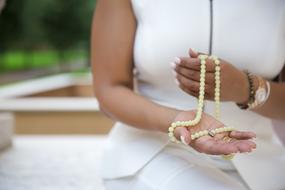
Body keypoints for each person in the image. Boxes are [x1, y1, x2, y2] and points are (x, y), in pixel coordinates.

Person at [91, 1, 285, 190]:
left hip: (263, 162)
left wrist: (245, 88)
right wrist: (177, 121)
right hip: (153, 153)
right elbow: (109, 89)